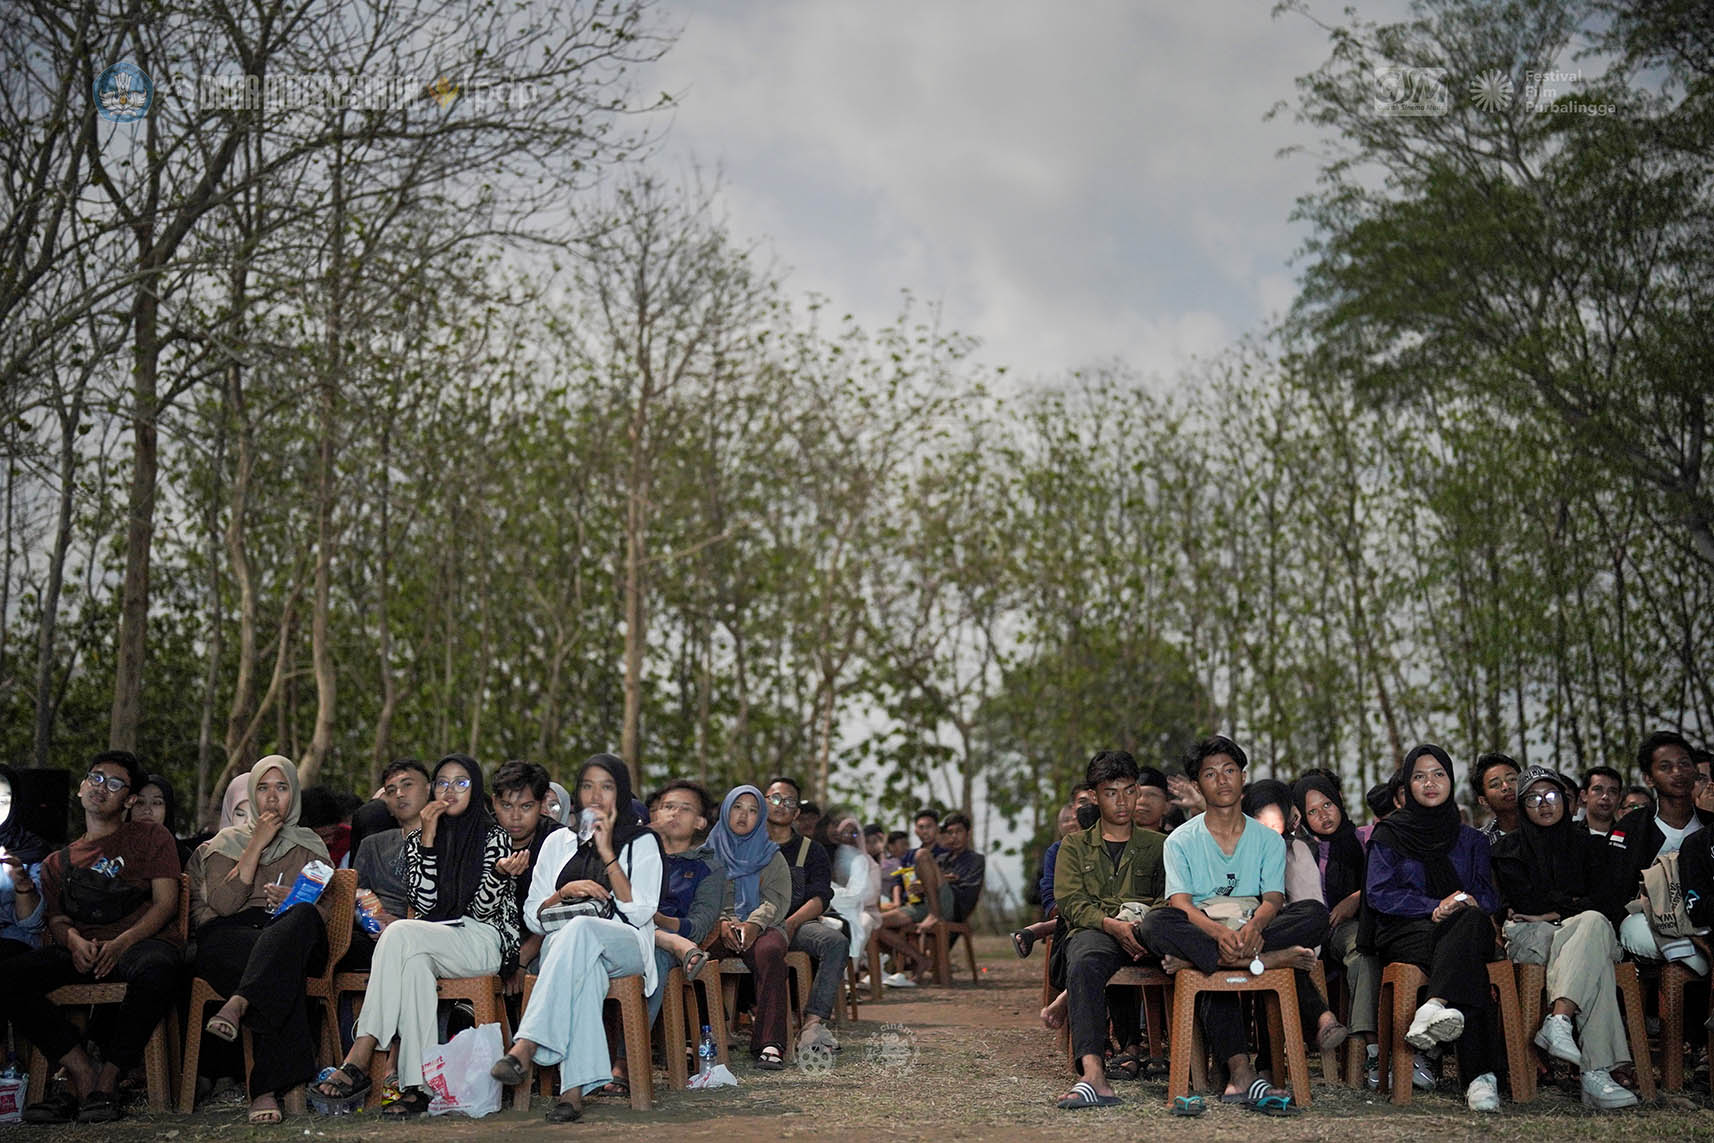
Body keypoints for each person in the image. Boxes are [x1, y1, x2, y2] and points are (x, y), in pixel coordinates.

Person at [313, 753, 519, 1118]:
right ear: (433, 791)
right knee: (414, 968)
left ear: (476, 788)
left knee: (400, 935)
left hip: (484, 940)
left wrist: (501, 875)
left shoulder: (496, 837)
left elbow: (484, 912)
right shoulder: (417, 842)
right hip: (432, 939)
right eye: (443, 783)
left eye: (461, 782)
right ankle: (418, 1086)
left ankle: (361, 1053)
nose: (451, 790)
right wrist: (426, 840)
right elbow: (425, 905)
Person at [1138, 736, 1329, 1115]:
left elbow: (1274, 898)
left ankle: (1239, 1067)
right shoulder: (1179, 840)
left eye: (1229, 771)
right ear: (1197, 785)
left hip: (1252, 929)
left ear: (1243, 777)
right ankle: (1272, 961)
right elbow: (1181, 903)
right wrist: (1220, 934)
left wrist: (1254, 929)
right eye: (1210, 774)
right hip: (1207, 927)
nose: (1222, 780)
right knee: (1155, 923)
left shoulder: (1267, 840)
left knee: (1315, 915)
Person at [7, 751, 181, 1125]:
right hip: (83, 950)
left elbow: (166, 904)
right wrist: (72, 942)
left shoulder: (152, 837)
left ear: (130, 800)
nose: (102, 788)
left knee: (159, 968)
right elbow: (55, 918)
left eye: (115, 784)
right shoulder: (58, 861)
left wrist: (123, 943)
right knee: (9, 975)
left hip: (138, 945)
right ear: (82, 788)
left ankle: (109, 1078)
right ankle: (80, 1070)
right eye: (96, 778)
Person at [491, 754, 663, 1122]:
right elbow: (534, 915)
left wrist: (606, 852)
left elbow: (640, 911)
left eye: (606, 786)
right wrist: (562, 893)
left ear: (621, 791)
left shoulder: (642, 841)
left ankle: (527, 1044)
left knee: (581, 932)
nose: (595, 795)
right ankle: (572, 1094)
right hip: (566, 946)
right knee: (584, 968)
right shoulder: (558, 843)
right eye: (587, 786)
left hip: (626, 945)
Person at [185, 755, 334, 1124]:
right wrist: (256, 843)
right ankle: (265, 1089)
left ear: (293, 795)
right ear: (252, 795)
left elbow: (327, 913)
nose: (271, 799)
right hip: (232, 934)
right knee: (273, 967)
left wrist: (296, 900)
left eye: (281, 788)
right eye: (263, 789)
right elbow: (223, 904)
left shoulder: (311, 844)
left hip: (292, 933)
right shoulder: (223, 843)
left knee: (295, 924)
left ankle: (237, 1003)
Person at [1362, 743, 1506, 1112]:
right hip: (1407, 931)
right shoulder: (1389, 834)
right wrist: (1433, 908)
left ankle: (1435, 1005)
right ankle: (1480, 1079)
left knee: (1469, 923)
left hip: (1462, 927)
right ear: (1407, 786)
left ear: (1450, 780)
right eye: (1419, 776)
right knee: (1468, 952)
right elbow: (1379, 894)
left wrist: (1470, 903)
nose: (1430, 783)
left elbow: (1489, 896)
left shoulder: (1471, 839)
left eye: (1438, 774)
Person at [1491, 766, 1637, 1109]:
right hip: (1534, 936)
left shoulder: (1589, 846)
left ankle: (1559, 1019)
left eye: (1553, 795)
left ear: (1567, 801)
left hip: (1569, 929)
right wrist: (1565, 907)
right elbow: (1524, 902)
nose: (1545, 804)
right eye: (1534, 798)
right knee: (1593, 947)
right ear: (1522, 806)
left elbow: (1608, 902)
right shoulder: (1508, 849)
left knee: (1594, 923)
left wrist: (1553, 912)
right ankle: (1595, 1072)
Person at [1048, 750, 1166, 1109]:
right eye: (1110, 792)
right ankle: (1093, 1073)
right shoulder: (1074, 846)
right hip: (1096, 931)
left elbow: (1170, 896)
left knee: (1180, 937)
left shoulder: (1159, 846)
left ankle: (1213, 1062)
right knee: (1083, 958)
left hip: (1148, 934)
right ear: (1095, 796)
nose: (1122, 801)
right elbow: (1070, 901)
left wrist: (1144, 929)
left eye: (1129, 791)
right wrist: (1111, 924)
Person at [1243, 779, 1348, 1058]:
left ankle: (1268, 1065)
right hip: (1233, 934)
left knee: (1311, 919)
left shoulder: (1294, 850)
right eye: (1259, 820)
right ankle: (1321, 1017)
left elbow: (1309, 908)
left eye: (1275, 820)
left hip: (1281, 936)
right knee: (1282, 961)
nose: (1267, 829)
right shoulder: (1232, 849)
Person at [1602, 731, 1713, 976]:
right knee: (1636, 929)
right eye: (1666, 767)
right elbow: (1613, 896)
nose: (1677, 772)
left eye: (1684, 764)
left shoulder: (1708, 826)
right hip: (1649, 922)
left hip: (1706, 921)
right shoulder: (1631, 829)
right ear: (1649, 778)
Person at [1294, 772, 1381, 1085]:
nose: (1323, 816)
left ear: (1340, 801)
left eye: (1327, 804)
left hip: (1369, 925)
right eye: (1312, 812)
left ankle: (1380, 1050)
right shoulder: (1304, 850)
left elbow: (1385, 879)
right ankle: (1364, 1048)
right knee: (1359, 949)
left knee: (1366, 946)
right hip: (1323, 933)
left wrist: (1357, 898)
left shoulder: (1368, 838)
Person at [706, 785, 792, 1068]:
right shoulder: (707, 853)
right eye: (737, 807)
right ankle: (700, 1038)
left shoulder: (771, 855)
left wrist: (754, 924)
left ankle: (770, 1042)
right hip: (716, 925)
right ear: (726, 810)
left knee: (770, 952)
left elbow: (776, 900)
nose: (744, 815)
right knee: (694, 952)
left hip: (763, 926)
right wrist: (722, 923)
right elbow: (701, 899)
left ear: (761, 817)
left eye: (753, 810)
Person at [761, 777, 849, 1054]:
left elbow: (821, 897)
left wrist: (791, 923)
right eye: (775, 798)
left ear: (797, 812)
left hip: (795, 924)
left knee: (835, 941)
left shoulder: (811, 850)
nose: (781, 805)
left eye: (789, 801)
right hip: (751, 925)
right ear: (763, 804)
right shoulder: (745, 845)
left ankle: (812, 1025)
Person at [342, 759, 431, 973]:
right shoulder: (372, 845)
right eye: (391, 790)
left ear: (429, 791)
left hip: (424, 934)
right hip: (371, 935)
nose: (399, 794)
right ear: (388, 806)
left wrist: (402, 923)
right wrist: (369, 921)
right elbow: (354, 896)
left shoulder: (447, 843)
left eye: (407, 785)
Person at [644, 779, 722, 1010]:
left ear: (699, 822)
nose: (674, 813)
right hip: (624, 934)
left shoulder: (707, 867)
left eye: (685, 808)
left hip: (667, 949)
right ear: (656, 815)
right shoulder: (636, 855)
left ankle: (633, 1047)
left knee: (654, 958)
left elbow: (699, 926)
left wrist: (658, 920)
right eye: (668, 807)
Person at [490, 760, 560, 994]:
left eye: (526, 807)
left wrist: (521, 959)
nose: (516, 817)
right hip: (491, 937)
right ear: (494, 802)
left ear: (541, 805)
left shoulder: (558, 840)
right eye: (506, 806)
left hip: (541, 938)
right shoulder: (482, 836)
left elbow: (559, 912)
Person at [1012, 801, 1081, 959]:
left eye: (1075, 818)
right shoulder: (1055, 851)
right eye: (1065, 820)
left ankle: (1041, 929)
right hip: (1065, 910)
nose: (1071, 824)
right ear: (1059, 826)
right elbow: (1043, 891)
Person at [826, 815, 882, 973]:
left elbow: (870, 895)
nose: (849, 837)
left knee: (862, 924)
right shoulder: (830, 859)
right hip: (835, 910)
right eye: (845, 833)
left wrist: (843, 897)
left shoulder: (868, 862)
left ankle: (848, 976)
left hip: (865, 910)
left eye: (854, 833)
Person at [128, 774, 196, 867]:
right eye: (140, 802)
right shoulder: (114, 847)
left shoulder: (183, 857)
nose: (147, 811)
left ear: (167, 809)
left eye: (156, 803)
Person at [1474, 753, 1521, 844]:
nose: (1506, 787)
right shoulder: (1477, 843)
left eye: (1512, 779)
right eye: (1495, 784)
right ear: (1483, 801)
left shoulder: (1547, 827)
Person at [1579, 767, 1624, 838]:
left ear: (1619, 798)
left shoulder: (1630, 838)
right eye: (1598, 789)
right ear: (1584, 795)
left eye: (1612, 791)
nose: (1605, 796)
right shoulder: (1568, 835)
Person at [1134, 767, 1171, 834]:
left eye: (1152, 795)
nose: (1142, 801)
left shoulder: (1176, 841)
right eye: (1137, 795)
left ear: (1166, 806)